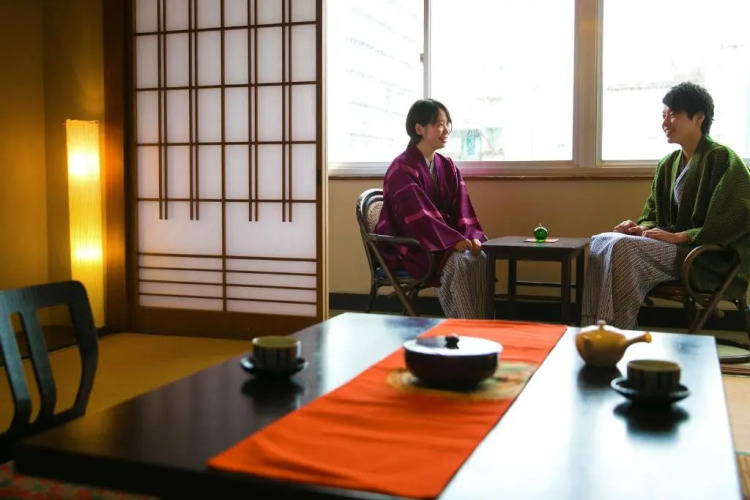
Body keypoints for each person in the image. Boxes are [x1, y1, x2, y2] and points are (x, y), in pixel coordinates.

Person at [582, 82, 750, 329]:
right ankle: (595, 327)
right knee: (602, 240)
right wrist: (640, 228)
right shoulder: (667, 164)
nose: (665, 122)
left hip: (704, 258)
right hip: (674, 250)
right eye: (663, 115)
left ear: (699, 118)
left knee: (624, 249)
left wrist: (681, 236)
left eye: (673, 114)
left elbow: (738, 216)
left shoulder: (723, 159)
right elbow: (651, 213)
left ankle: (620, 331)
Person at [376, 98, 488, 318]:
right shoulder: (401, 169)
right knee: (457, 263)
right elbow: (418, 218)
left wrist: (470, 237)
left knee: (480, 256)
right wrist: (451, 241)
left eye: (447, 124)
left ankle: (480, 325)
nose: (446, 130)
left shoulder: (447, 166)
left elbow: (462, 209)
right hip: (413, 244)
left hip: (440, 238)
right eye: (439, 125)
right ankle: (463, 325)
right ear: (419, 129)